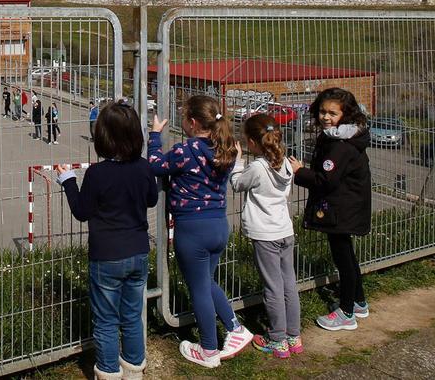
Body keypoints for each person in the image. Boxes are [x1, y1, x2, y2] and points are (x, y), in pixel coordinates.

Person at [53, 100, 157, 380]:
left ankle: (109, 372)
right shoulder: (145, 168)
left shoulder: (98, 174)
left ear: (102, 137)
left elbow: (81, 212)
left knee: (107, 320)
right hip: (138, 251)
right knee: (133, 315)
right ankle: (135, 369)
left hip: (107, 256)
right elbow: (151, 199)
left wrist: (68, 180)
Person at [148, 94, 251, 368]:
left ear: (192, 123)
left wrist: (154, 136)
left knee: (199, 289)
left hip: (192, 228)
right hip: (218, 225)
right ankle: (235, 329)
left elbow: (155, 165)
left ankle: (209, 349)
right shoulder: (225, 150)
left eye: (182, 117)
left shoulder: (186, 150)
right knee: (206, 282)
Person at [289, 88, 372, 332]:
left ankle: (346, 312)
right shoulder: (347, 136)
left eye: (332, 113)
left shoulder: (340, 145)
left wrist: (299, 172)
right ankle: (358, 302)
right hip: (348, 205)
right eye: (323, 111)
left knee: (343, 259)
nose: (326, 117)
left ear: (345, 115)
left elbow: (325, 179)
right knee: (347, 255)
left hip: (341, 209)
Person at [231, 114, 302, 359]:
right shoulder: (285, 165)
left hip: (265, 234)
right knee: (288, 284)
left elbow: (237, 184)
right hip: (285, 230)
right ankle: (294, 335)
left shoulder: (257, 167)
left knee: (272, 286)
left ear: (251, 142)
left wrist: (237, 162)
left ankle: (278, 340)